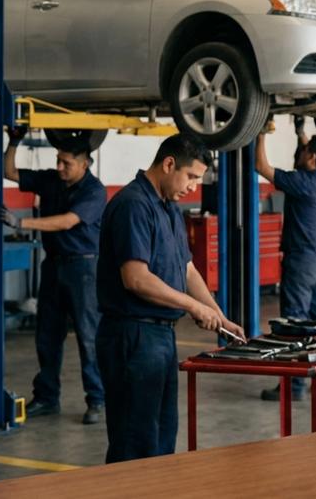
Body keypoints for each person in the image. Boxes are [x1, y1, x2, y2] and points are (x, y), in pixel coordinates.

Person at [96, 133, 245, 463]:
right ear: (168, 164)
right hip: (132, 336)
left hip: (159, 337)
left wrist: (218, 316)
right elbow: (135, 278)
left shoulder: (169, 209)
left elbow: (187, 269)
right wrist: (192, 306)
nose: (193, 186)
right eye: (191, 176)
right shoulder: (133, 205)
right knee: (135, 444)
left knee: (161, 440)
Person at [0, 126, 107, 425]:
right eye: (58, 160)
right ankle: (47, 397)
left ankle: (97, 399)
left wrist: (22, 223)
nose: (59, 167)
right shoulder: (52, 179)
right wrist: (14, 142)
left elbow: (68, 221)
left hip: (83, 268)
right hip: (54, 265)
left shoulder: (94, 191)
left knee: (87, 336)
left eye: (66, 163)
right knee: (47, 334)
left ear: (84, 164)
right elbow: (10, 172)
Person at [254, 116, 316, 401]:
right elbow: (309, 151)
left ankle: (294, 386)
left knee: (294, 324)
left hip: (301, 263)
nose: (299, 153)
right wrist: (301, 131)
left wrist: (261, 132)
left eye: (303, 151)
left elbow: (261, 167)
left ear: (311, 158)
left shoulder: (301, 182)